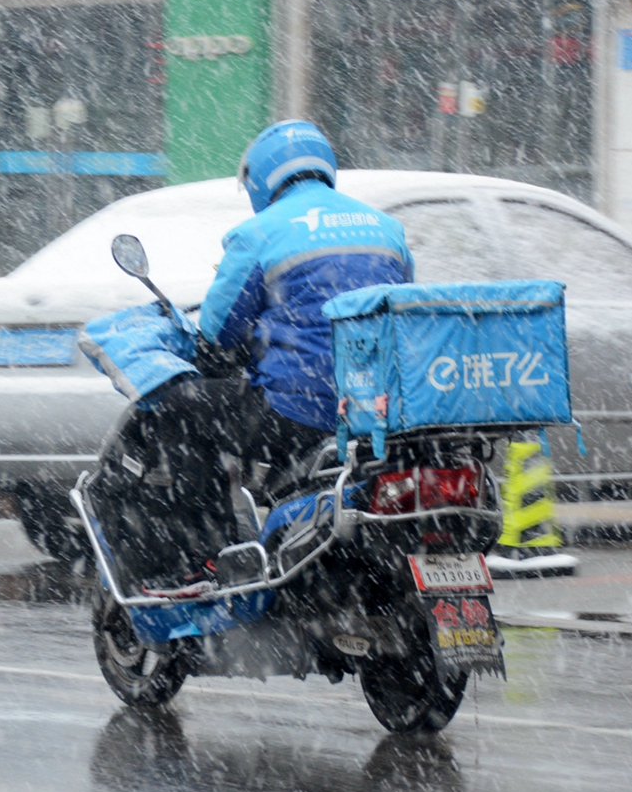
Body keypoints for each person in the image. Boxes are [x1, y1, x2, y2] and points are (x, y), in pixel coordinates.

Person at [90, 120, 413, 590]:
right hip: (373, 413)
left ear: (262, 178)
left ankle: (206, 558)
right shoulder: (387, 228)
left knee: (180, 411)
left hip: (298, 411)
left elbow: (218, 336)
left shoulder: (259, 233)